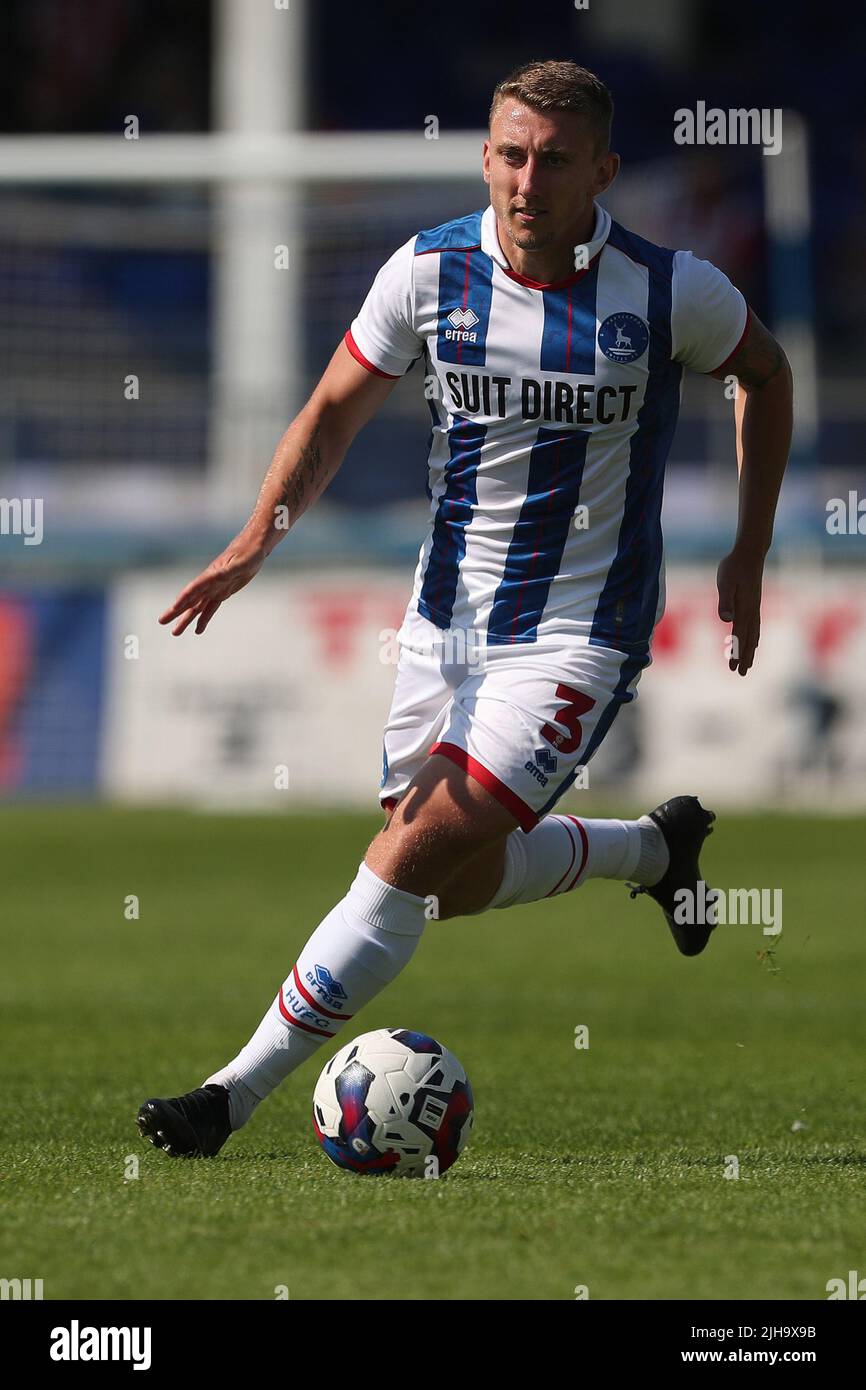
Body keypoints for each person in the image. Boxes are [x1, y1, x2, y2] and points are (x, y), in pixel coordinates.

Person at [138, 60, 792, 1159]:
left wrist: (748, 546)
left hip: (580, 631)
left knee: (407, 855)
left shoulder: (672, 289)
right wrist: (259, 537)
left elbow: (765, 379)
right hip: (443, 624)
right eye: (506, 154)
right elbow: (333, 410)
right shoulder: (427, 271)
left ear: (602, 170)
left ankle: (226, 1096)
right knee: (455, 880)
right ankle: (652, 852)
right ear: (483, 155)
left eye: (551, 159)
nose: (524, 180)